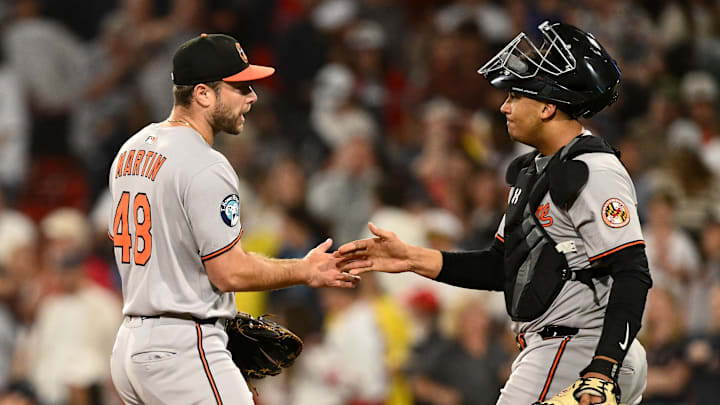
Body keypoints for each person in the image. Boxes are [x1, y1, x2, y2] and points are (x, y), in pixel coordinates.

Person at [337, 21, 653, 405]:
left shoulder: (592, 170)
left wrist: (602, 368)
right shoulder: (539, 168)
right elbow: (501, 266)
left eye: (516, 96)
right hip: (579, 349)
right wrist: (413, 259)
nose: (504, 106)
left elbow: (632, 272)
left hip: (576, 349)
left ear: (548, 106)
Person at [108, 33, 359, 405]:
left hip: (132, 348)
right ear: (204, 94)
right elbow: (230, 273)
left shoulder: (130, 150)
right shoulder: (205, 163)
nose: (252, 97)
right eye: (240, 87)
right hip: (183, 346)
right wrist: (305, 271)